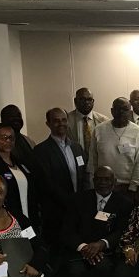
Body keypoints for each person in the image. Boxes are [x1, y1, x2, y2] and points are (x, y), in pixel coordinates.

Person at [61, 166, 134, 277]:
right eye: (99, 179)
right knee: (77, 273)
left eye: (107, 179)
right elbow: (67, 230)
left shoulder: (124, 203)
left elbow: (122, 231)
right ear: (93, 181)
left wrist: (101, 244)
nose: (103, 183)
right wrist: (84, 248)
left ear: (114, 182)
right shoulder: (78, 200)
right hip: (80, 251)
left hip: (107, 252)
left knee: (104, 271)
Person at [32, 107, 90, 253]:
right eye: (56, 121)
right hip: (55, 211)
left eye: (64, 120)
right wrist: (71, 202)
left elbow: (84, 175)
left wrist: (81, 201)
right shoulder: (41, 151)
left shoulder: (77, 147)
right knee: (58, 251)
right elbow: (46, 183)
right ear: (48, 124)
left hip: (77, 210)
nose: (61, 124)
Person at [88, 97, 139, 198]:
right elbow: (93, 160)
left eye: (125, 109)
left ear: (130, 111)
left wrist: (133, 187)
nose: (121, 112)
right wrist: (93, 185)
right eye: (118, 109)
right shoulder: (99, 130)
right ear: (112, 111)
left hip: (128, 188)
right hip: (103, 187)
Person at [0, 122, 38, 221]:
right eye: (3, 138)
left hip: (28, 218)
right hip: (5, 219)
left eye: (11, 137)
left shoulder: (20, 162)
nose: (8, 141)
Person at [0, 104, 36, 169]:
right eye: (12, 116)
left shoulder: (29, 140)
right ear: (3, 120)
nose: (16, 119)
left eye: (19, 116)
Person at [67, 87, 109, 154]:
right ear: (75, 101)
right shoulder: (66, 120)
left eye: (89, 99)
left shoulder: (104, 121)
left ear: (93, 101)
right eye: (82, 99)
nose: (86, 102)